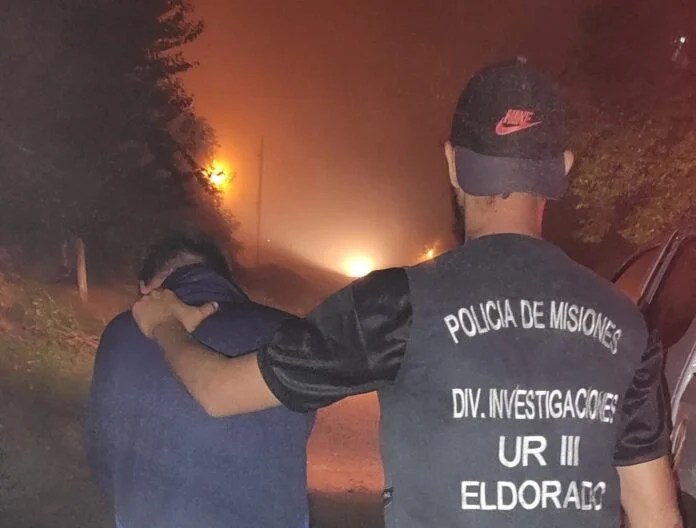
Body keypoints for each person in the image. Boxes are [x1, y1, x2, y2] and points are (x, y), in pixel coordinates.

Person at [131, 60, 682, 528]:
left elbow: (219, 391)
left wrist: (165, 323)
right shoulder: (627, 326)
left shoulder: (398, 305)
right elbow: (657, 517)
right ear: (562, 171)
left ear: (452, 164)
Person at [85, 234, 315, 528]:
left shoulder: (121, 333)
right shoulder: (288, 333)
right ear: (225, 279)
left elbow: (103, 455)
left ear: (146, 289)